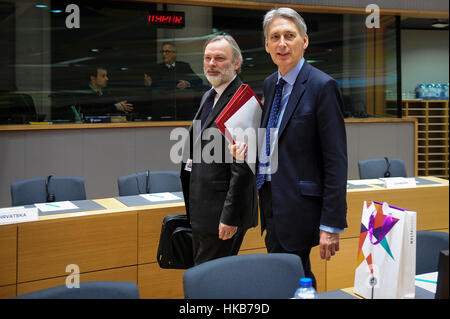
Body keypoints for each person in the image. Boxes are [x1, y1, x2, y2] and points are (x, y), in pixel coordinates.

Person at [229, 8, 348, 288]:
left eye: (289, 36)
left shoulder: (322, 86)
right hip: (270, 204)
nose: (282, 43)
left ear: (304, 41)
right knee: (290, 278)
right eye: (275, 37)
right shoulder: (271, 84)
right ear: (267, 45)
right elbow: (277, 139)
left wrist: (331, 224)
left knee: (292, 278)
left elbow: (336, 159)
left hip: (301, 207)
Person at [180, 35, 258, 266]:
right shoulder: (210, 95)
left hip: (222, 215)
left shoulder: (242, 100)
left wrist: (231, 217)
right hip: (203, 211)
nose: (212, 63)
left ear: (236, 63)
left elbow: (243, 166)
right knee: (205, 277)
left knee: (209, 283)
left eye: (220, 58)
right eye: (208, 58)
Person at [144, 42, 202, 120]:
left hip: (183, 110)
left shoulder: (184, 66)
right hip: (162, 111)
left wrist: (187, 83)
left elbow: (198, 81)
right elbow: (151, 90)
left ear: (174, 54)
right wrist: (149, 84)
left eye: (167, 52)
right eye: (162, 52)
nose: (164, 54)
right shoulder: (156, 68)